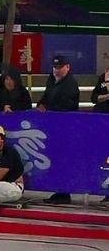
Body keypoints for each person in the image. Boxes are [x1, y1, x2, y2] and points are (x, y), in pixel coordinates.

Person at [37, 55, 79, 204]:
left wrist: (49, 109)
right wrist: (41, 104)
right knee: (55, 158)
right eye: (55, 67)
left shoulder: (71, 85)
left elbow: (66, 108)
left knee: (63, 159)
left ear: (67, 67)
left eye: (59, 68)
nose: (56, 70)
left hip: (65, 129)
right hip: (52, 127)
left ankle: (64, 192)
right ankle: (58, 190)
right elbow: (47, 95)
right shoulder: (52, 79)